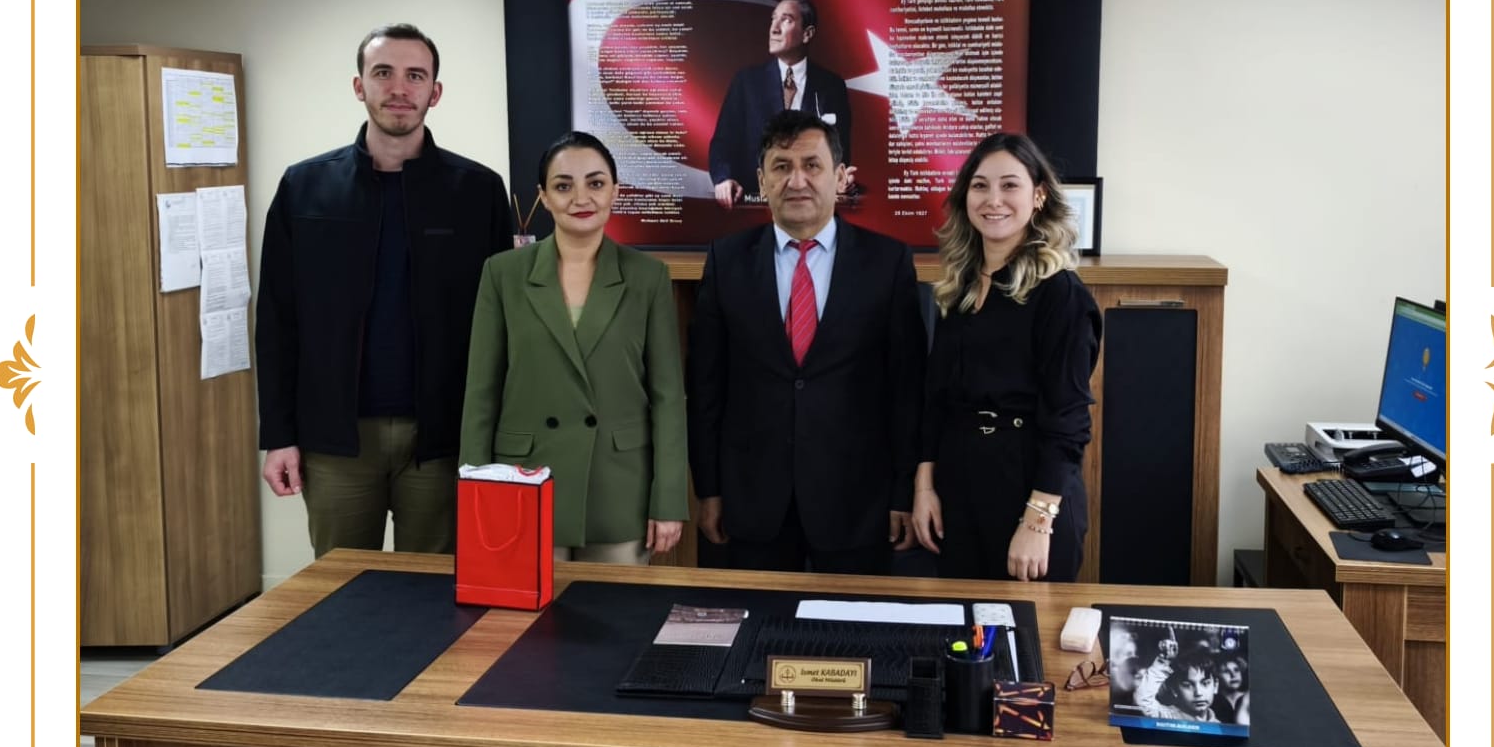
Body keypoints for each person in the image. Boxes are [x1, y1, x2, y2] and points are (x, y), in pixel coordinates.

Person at [256, 23, 512, 558]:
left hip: (442, 439)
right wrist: (279, 435)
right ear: (359, 86)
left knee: (437, 592)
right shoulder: (304, 187)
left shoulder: (479, 191)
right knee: (344, 593)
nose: (399, 88)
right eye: (383, 73)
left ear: (434, 92)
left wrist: (495, 440)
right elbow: (277, 320)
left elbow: (503, 326)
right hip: (336, 440)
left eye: (415, 76)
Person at [687, 111, 926, 574]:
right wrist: (709, 490)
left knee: (854, 619)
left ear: (840, 177)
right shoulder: (726, 261)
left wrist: (903, 491)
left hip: (859, 502)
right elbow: (706, 389)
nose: (797, 180)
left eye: (812, 165)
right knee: (756, 620)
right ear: (762, 181)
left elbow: (906, 390)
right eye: (781, 167)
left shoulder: (888, 262)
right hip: (753, 502)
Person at [460, 132, 685, 563]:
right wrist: (478, 492)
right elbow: (481, 395)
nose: (581, 198)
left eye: (595, 183)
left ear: (615, 191)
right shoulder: (503, 274)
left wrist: (669, 499)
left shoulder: (648, 276)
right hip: (524, 482)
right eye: (563, 186)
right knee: (530, 609)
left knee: (614, 608)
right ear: (543, 197)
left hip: (619, 488)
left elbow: (668, 398)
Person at [912, 132, 1102, 582]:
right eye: (980, 186)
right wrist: (924, 486)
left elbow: (1068, 419)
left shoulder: (1061, 294)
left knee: (1028, 625)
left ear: (1039, 196)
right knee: (963, 623)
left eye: (1010, 185)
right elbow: (935, 398)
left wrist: (1037, 521)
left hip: (1030, 490)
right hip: (958, 489)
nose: (993, 199)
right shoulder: (959, 287)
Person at [708, 0, 854, 208]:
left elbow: (840, 153)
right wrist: (723, 179)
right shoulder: (746, 82)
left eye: (786, 20)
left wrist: (841, 180)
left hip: (809, 207)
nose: (774, 29)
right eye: (773, 19)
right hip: (755, 208)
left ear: (807, 34)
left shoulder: (832, 86)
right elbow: (722, 144)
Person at [1214, 653, 1251, 725]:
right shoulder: (1212, 702)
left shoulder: (1249, 698)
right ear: (1217, 675)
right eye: (1226, 671)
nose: (1233, 675)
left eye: (1236, 670)